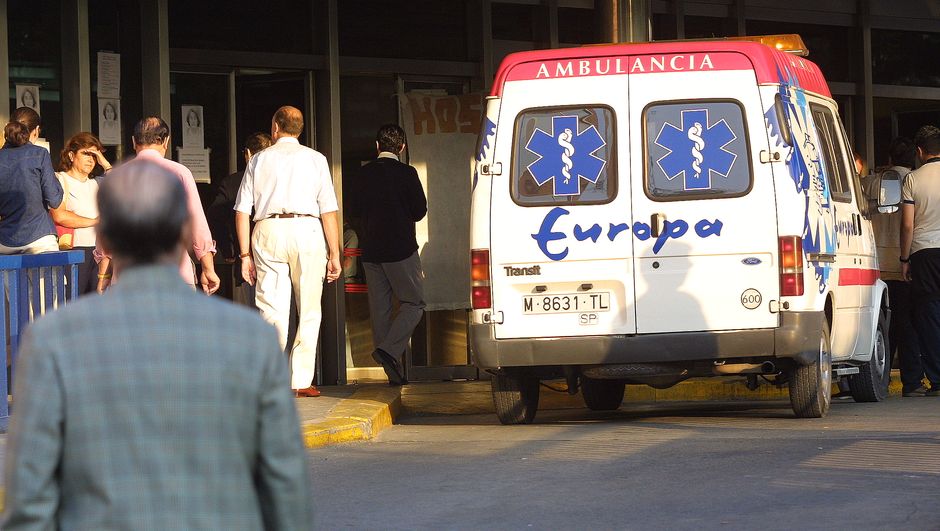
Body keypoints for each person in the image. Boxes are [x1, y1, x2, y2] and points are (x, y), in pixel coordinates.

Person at [1, 160, 313, 530]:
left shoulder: (53, 340)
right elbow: (284, 494)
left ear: (109, 239)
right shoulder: (252, 340)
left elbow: (32, 498)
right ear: (183, 232)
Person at [234, 106, 341, 397]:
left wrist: (244, 255)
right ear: (300, 129)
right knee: (309, 308)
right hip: (307, 229)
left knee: (272, 308)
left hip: (268, 228)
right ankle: (300, 380)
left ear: (275, 128)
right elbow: (328, 210)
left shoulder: (258, 160)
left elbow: (242, 210)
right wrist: (335, 253)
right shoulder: (316, 159)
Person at [96, 116, 220, 295]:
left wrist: (103, 276)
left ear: (133, 142)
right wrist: (208, 268)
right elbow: (197, 222)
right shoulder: (179, 173)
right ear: (166, 141)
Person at [352, 124, 427, 386]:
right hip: (401, 249)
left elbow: (355, 210)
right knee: (414, 303)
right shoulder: (407, 173)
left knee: (380, 309)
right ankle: (390, 351)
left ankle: (389, 364)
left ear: (377, 146)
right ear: (402, 148)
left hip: (371, 250)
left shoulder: (363, 175)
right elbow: (419, 211)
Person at [863, 137, 926, 396]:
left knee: (880, 326)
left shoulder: (868, 183)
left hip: (875, 265)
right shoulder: (915, 182)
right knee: (908, 323)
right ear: (915, 157)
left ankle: (881, 378)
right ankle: (912, 381)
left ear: (889, 159)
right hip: (905, 263)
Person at [208, 132, 272, 304]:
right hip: (275, 256)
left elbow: (216, 217)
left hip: (243, 260)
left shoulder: (232, 183)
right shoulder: (279, 181)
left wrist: (229, 250)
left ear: (247, 154)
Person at [899, 125, 940, 397]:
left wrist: (904, 258)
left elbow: (907, 225)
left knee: (930, 315)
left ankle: (937, 379)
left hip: (924, 253)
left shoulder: (912, 179)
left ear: (920, 151)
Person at [52, 132, 110, 294]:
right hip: (73, 250)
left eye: (95, 155)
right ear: (71, 155)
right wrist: (95, 221)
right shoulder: (59, 179)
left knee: (95, 305)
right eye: (86, 153)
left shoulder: (96, 183)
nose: (91, 159)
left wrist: (105, 164)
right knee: (72, 301)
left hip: (98, 252)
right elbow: (60, 215)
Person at [0, 108, 62, 254]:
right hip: (39, 237)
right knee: (53, 278)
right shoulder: (40, 154)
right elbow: (54, 200)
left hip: (4, 240)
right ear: (36, 130)